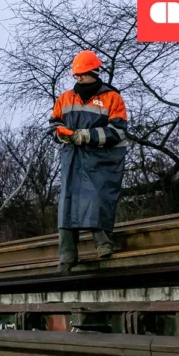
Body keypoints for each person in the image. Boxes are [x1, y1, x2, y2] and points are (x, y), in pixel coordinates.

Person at [48, 50, 128, 274]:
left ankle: (103, 244)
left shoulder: (112, 98)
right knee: (68, 203)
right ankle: (67, 257)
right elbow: (53, 124)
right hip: (73, 158)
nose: (79, 78)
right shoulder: (65, 98)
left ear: (94, 72)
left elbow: (118, 131)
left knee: (95, 198)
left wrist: (85, 136)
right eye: (76, 75)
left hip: (101, 159)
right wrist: (60, 133)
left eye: (82, 74)